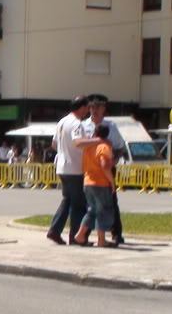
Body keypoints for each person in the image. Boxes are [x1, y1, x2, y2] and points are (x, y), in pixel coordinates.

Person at [74, 93, 125, 244]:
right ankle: (90, 236)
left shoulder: (111, 126)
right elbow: (77, 144)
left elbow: (120, 147)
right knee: (92, 206)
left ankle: (115, 233)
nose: (95, 110)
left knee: (111, 204)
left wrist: (114, 160)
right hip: (89, 170)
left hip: (106, 167)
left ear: (104, 109)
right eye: (92, 107)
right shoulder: (83, 126)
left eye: (98, 107)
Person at [47, 95, 89, 245]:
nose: (87, 112)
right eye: (87, 108)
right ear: (82, 108)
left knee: (67, 200)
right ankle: (76, 236)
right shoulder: (77, 124)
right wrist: (95, 141)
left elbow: (53, 144)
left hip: (62, 166)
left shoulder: (62, 122)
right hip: (74, 167)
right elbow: (78, 142)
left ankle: (55, 230)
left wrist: (64, 149)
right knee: (78, 204)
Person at [73, 123, 116, 248]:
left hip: (88, 181)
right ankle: (101, 240)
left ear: (94, 133)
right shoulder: (104, 146)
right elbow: (104, 165)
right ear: (107, 135)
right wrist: (111, 182)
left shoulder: (88, 148)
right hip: (100, 183)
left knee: (92, 210)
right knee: (103, 210)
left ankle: (80, 234)